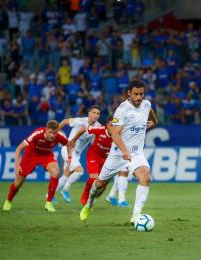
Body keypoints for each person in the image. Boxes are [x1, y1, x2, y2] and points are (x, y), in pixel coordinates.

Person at [80, 80, 158, 224]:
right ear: (129, 93)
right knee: (99, 184)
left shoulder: (146, 104)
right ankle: (89, 203)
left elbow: (150, 111)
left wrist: (154, 122)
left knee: (145, 176)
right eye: (136, 94)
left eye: (141, 94)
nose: (139, 98)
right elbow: (115, 133)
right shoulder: (122, 110)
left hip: (136, 153)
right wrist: (124, 151)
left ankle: (136, 216)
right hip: (117, 154)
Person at [2, 120, 69, 212]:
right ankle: (8, 200)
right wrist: (17, 165)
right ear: (46, 130)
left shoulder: (60, 137)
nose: (52, 135)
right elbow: (19, 148)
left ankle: (48, 203)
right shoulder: (37, 133)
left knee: (56, 173)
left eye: (54, 133)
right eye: (50, 132)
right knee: (18, 183)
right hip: (31, 156)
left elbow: (69, 145)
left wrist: (69, 157)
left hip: (46, 155)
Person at [67, 117, 129, 207]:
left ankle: (93, 199)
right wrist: (73, 140)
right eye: (112, 125)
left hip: (106, 160)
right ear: (107, 125)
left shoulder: (120, 136)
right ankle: (85, 196)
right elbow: (84, 128)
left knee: (103, 184)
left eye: (115, 126)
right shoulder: (100, 130)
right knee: (94, 178)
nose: (114, 128)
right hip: (93, 156)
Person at [56, 105, 101, 203]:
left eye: (98, 113)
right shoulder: (80, 121)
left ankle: (49, 196)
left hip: (77, 154)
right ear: (89, 114)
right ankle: (65, 190)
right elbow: (64, 121)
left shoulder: (98, 127)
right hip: (68, 150)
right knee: (79, 171)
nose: (96, 115)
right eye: (93, 113)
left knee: (66, 175)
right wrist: (56, 134)